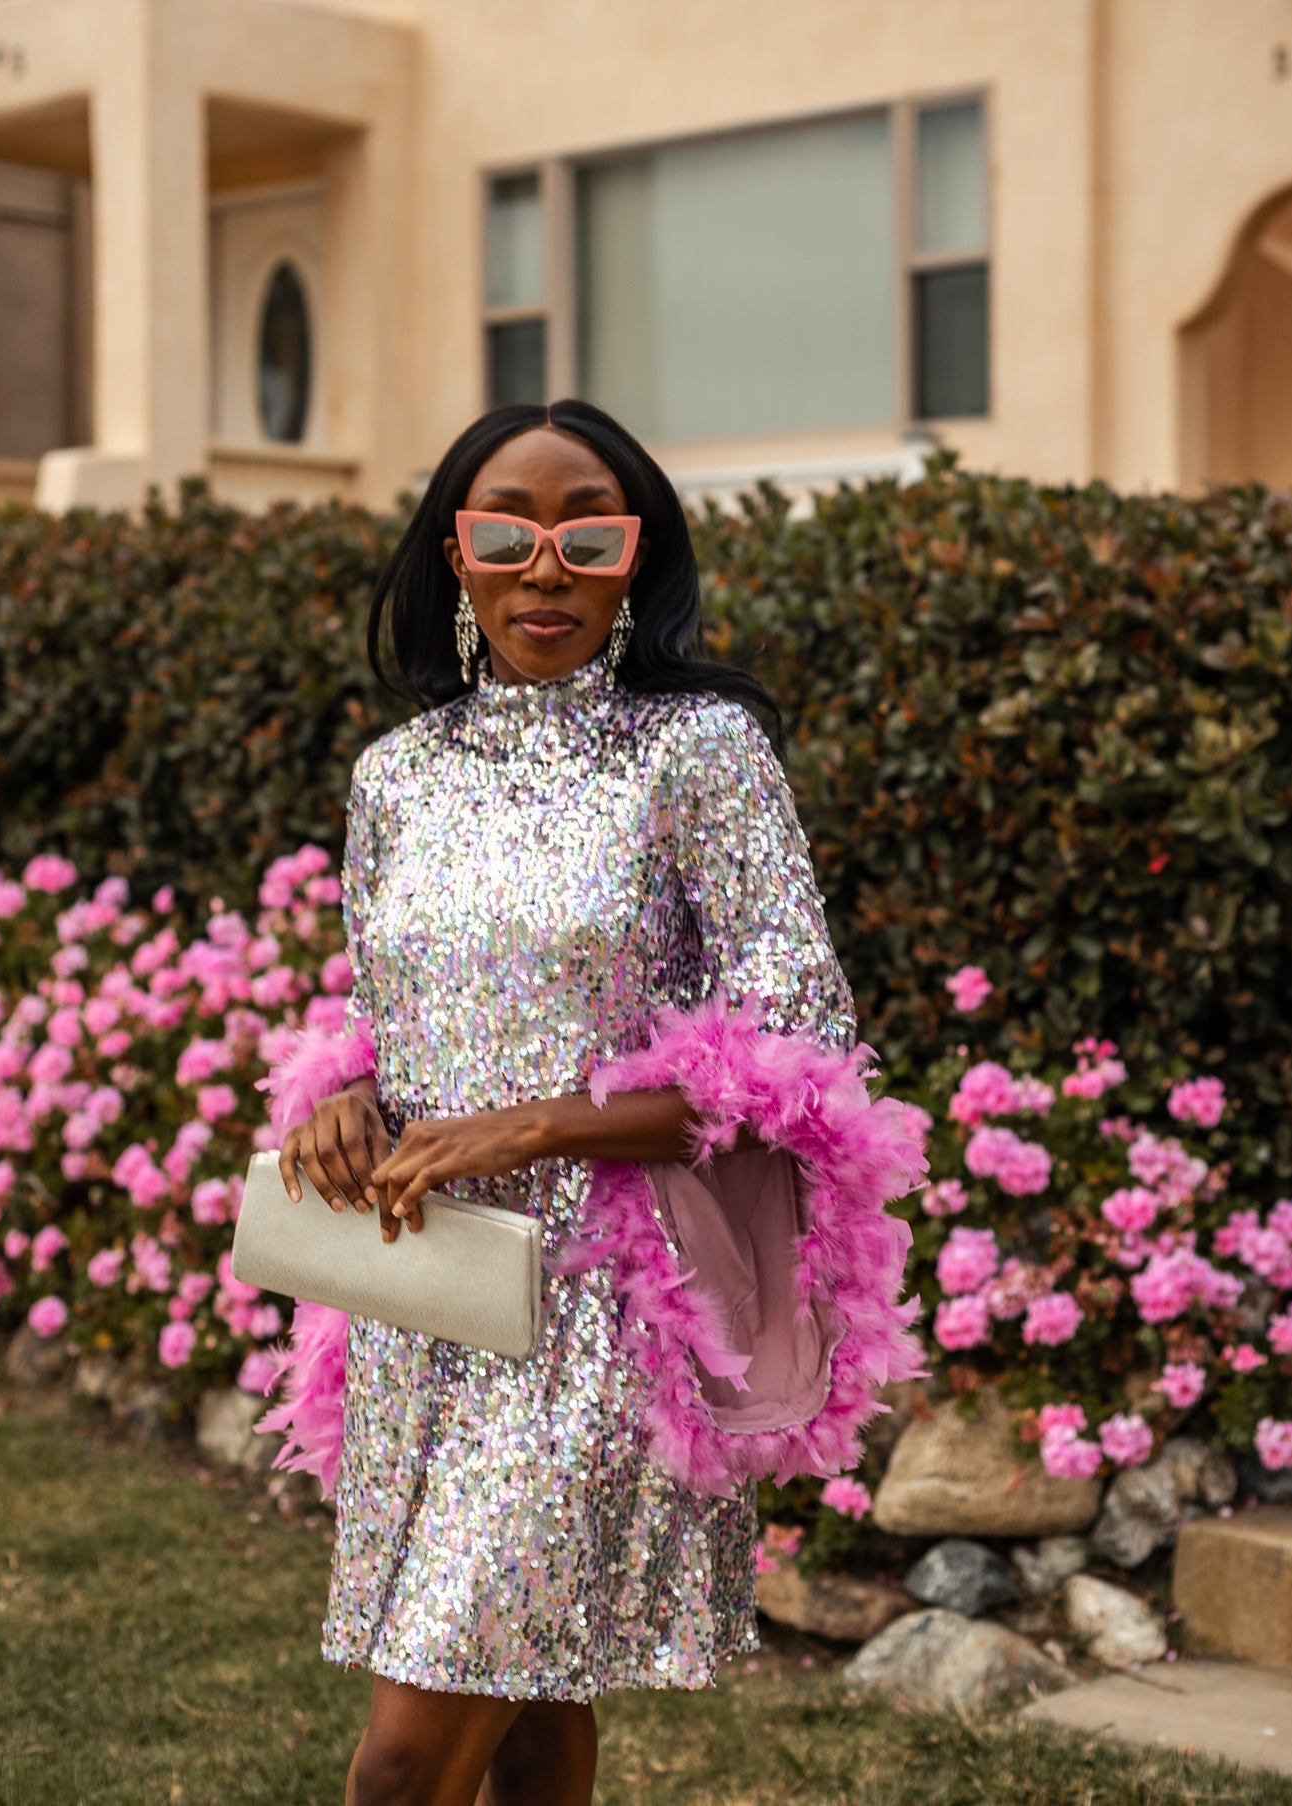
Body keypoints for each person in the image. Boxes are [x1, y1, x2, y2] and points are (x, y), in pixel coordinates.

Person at [263, 399, 925, 1806]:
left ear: (637, 558)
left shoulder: (696, 754)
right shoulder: (396, 777)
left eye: (587, 533)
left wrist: (531, 1124)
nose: (543, 566)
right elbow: (401, 1017)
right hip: (428, 1290)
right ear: (457, 553)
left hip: (600, 1310)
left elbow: (796, 1042)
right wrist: (351, 1090)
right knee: (533, 1711)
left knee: (403, 1762)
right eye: (506, 533)